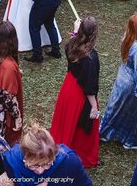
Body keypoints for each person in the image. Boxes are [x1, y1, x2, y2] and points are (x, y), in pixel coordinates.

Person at [100, 3, 137, 149]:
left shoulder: (127, 36)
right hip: (131, 84)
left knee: (116, 107)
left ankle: (106, 132)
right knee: (133, 112)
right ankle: (130, 139)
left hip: (122, 79)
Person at [50, 17, 100, 168]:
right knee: (84, 125)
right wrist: (94, 106)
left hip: (69, 87)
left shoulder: (71, 45)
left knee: (67, 121)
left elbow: (73, 41)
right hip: (80, 94)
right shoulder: (91, 57)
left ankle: (63, 146)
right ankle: (81, 155)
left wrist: (75, 32)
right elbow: (90, 87)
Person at [2, 122, 93, 185]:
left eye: (47, 164)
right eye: (33, 165)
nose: (40, 171)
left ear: (55, 153)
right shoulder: (12, 162)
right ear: (23, 155)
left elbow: (85, 183)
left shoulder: (69, 161)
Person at [0, 21, 23, 146]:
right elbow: (9, 97)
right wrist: (17, 118)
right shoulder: (8, 66)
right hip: (1, 112)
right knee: (1, 142)